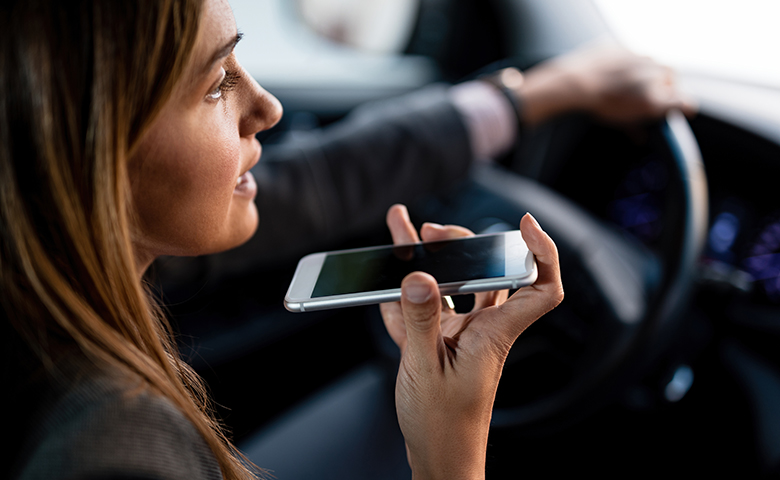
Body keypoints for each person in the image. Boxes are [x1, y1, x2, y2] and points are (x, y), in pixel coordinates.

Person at [1, 1, 563, 479]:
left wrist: (538, 95)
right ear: (90, 153)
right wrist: (452, 445)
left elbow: (313, 181)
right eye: (217, 83)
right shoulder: (122, 449)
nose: (268, 108)